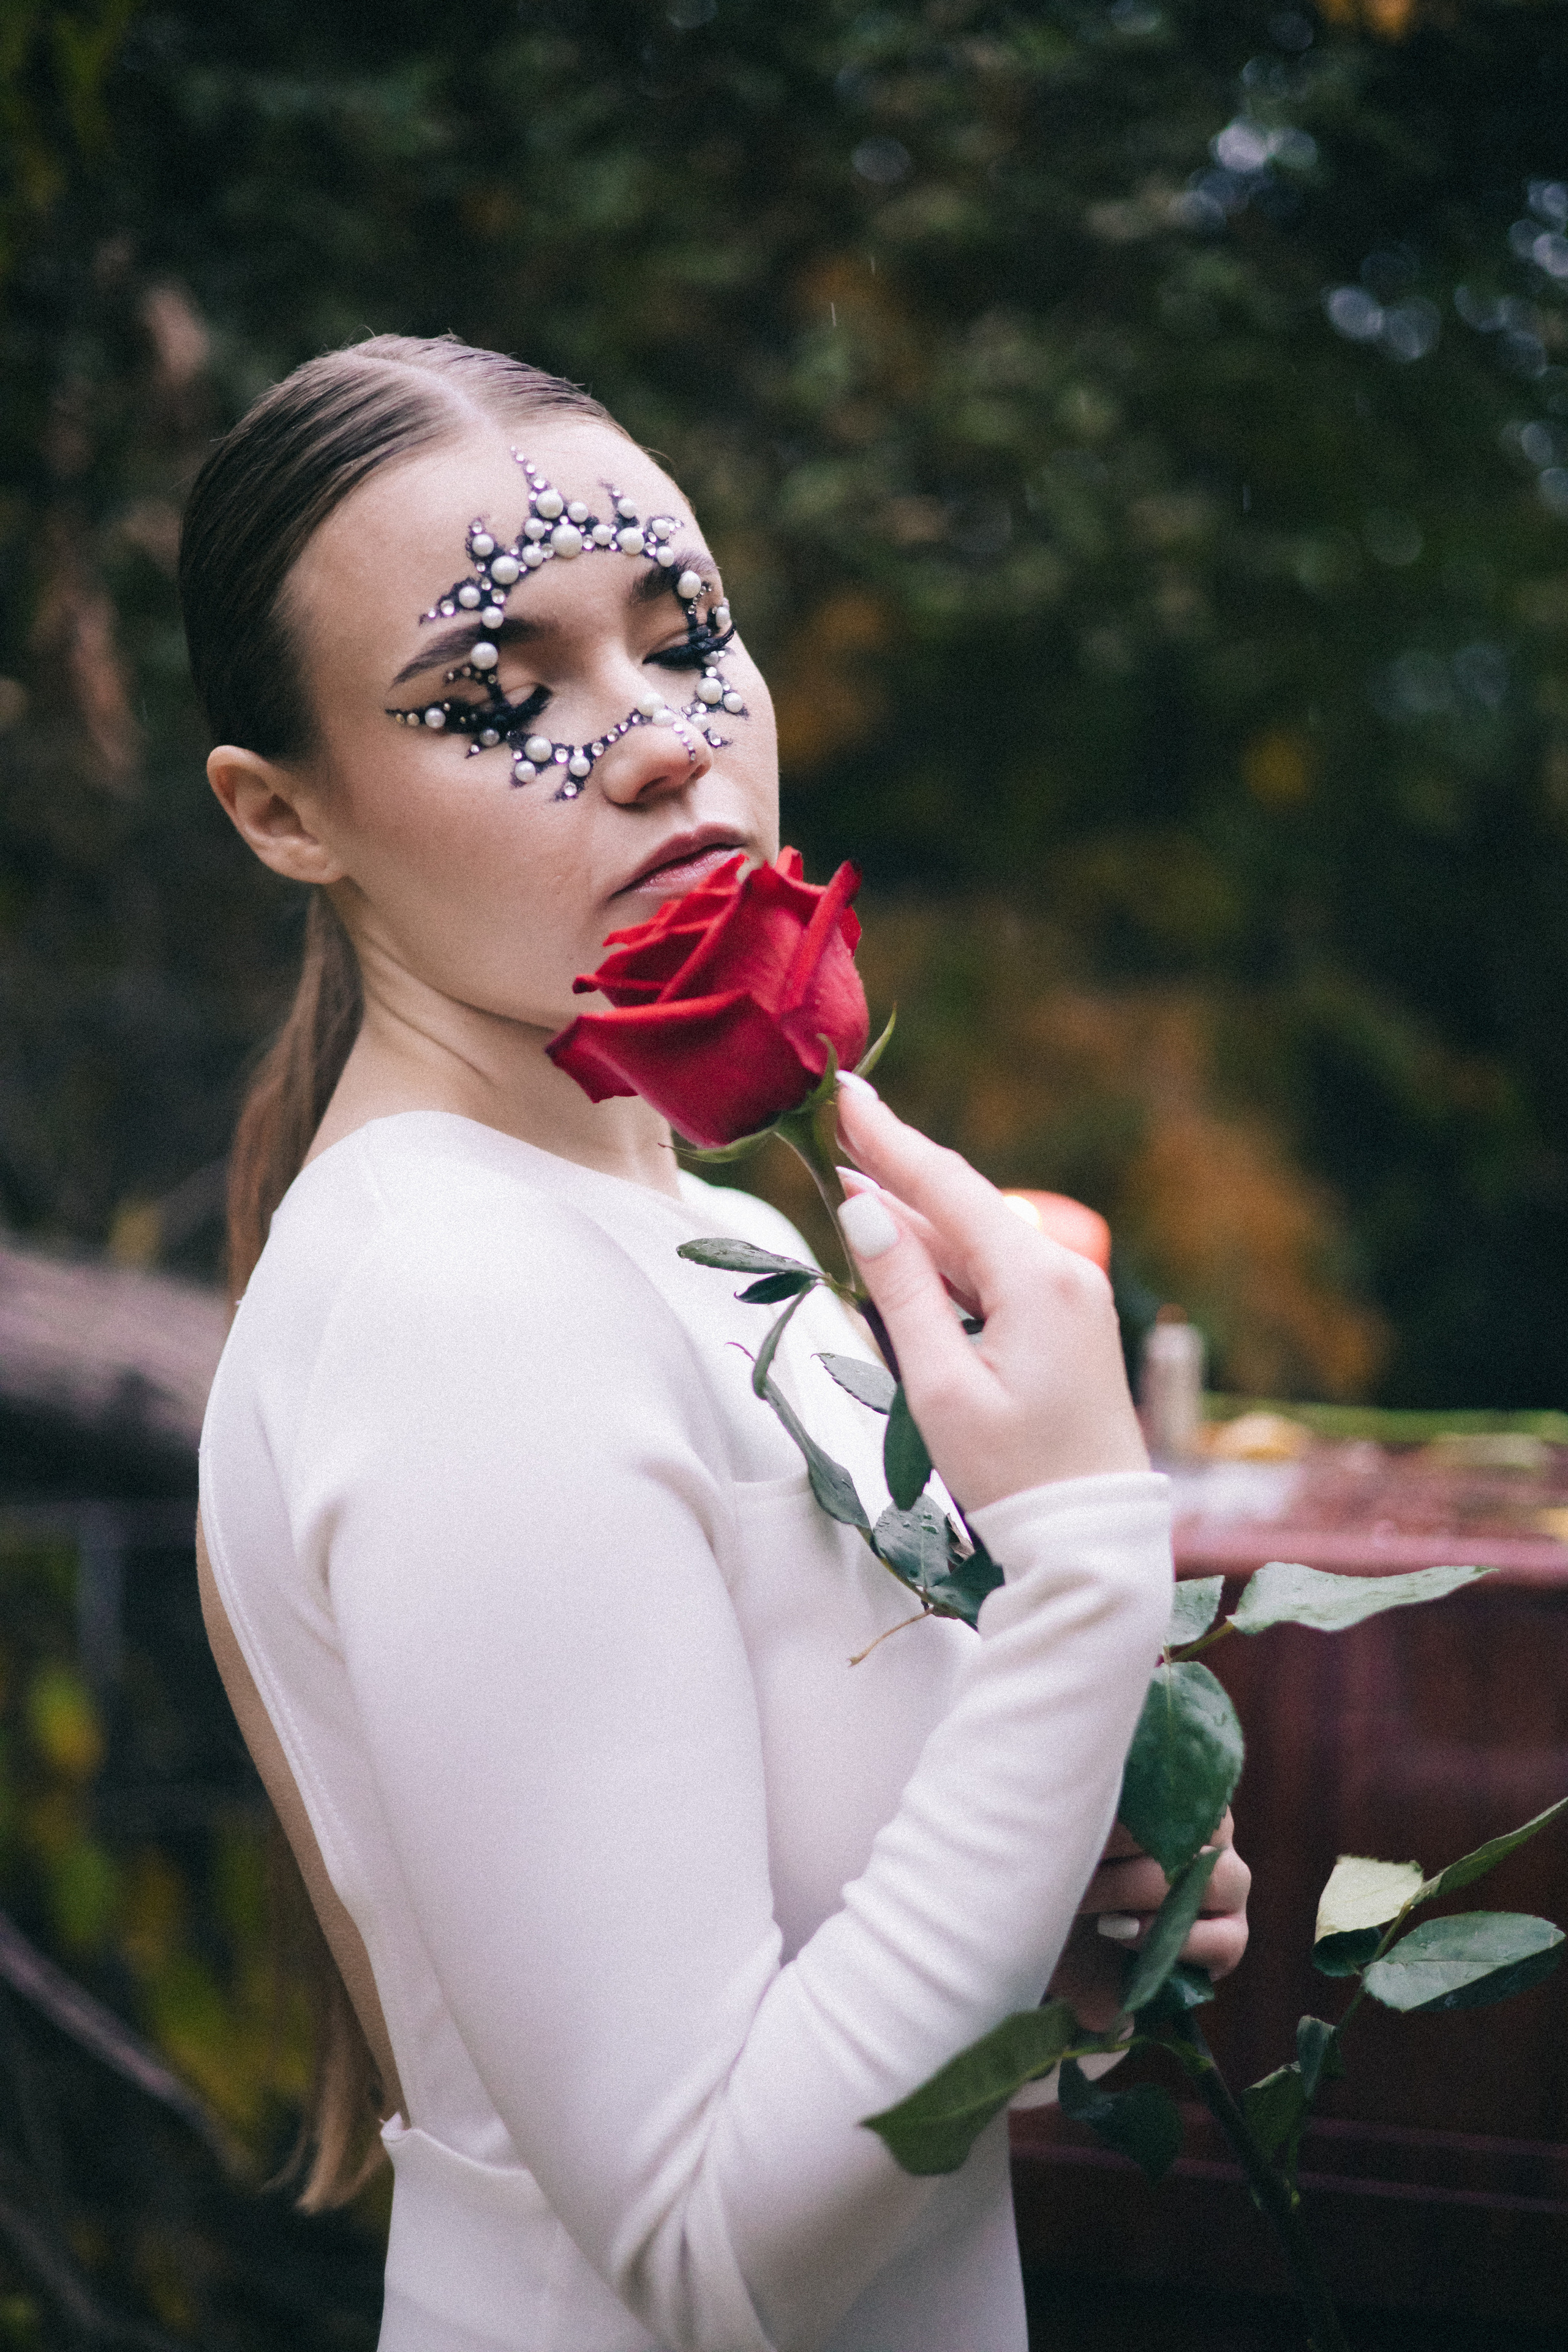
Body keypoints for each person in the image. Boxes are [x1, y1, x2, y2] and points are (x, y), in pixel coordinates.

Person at [189, 334, 1249, 2352]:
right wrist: (1089, 1569)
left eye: (686, 638)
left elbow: (823, 2071)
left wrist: (1058, 1937)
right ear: (280, 814)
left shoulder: (687, 1233)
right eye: (490, 695)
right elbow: (703, 2242)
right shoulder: (455, 1297)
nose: (666, 740)